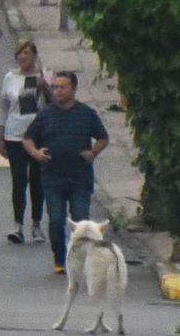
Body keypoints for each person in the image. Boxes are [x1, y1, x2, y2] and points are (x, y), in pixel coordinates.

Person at [23, 71, 109, 274]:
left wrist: (93, 152)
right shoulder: (46, 114)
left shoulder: (86, 114)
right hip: (53, 177)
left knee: (81, 220)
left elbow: (103, 138)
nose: (58, 91)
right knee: (56, 219)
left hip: (80, 177)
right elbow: (27, 138)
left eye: (62, 87)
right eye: (55, 87)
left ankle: (80, 260)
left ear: (73, 89)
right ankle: (60, 259)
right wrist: (36, 153)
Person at [0, 39, 50, 246]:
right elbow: (3, 106)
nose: (22, 57)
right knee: (19, 180)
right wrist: (1, 132)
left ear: (34, 55)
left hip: (37, 134)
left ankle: (36, 223)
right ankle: (17, 223)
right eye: (19, 53)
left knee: (37, 180)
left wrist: (45, 87)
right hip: (14, 134)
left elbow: (51, 104)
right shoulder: (10, 78)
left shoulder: (42, 77)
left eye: (26, 53)